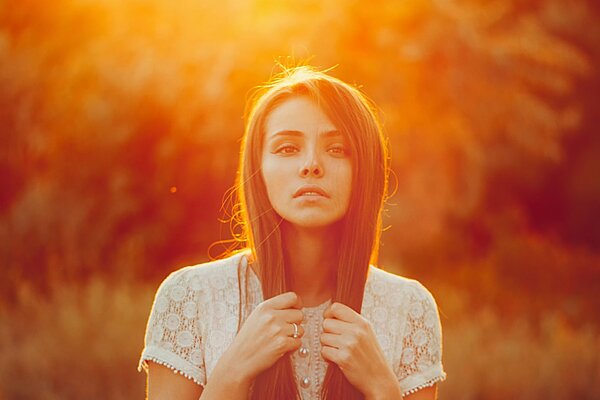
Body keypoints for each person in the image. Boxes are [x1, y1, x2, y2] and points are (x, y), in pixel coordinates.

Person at [138, 66, 446, 399]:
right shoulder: (189, 298)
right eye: (287, 148)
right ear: (259, 170)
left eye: (337, 148)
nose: (311, 164)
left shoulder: (410, 307)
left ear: (366, 170)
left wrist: (383, 388)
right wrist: (234, 371)